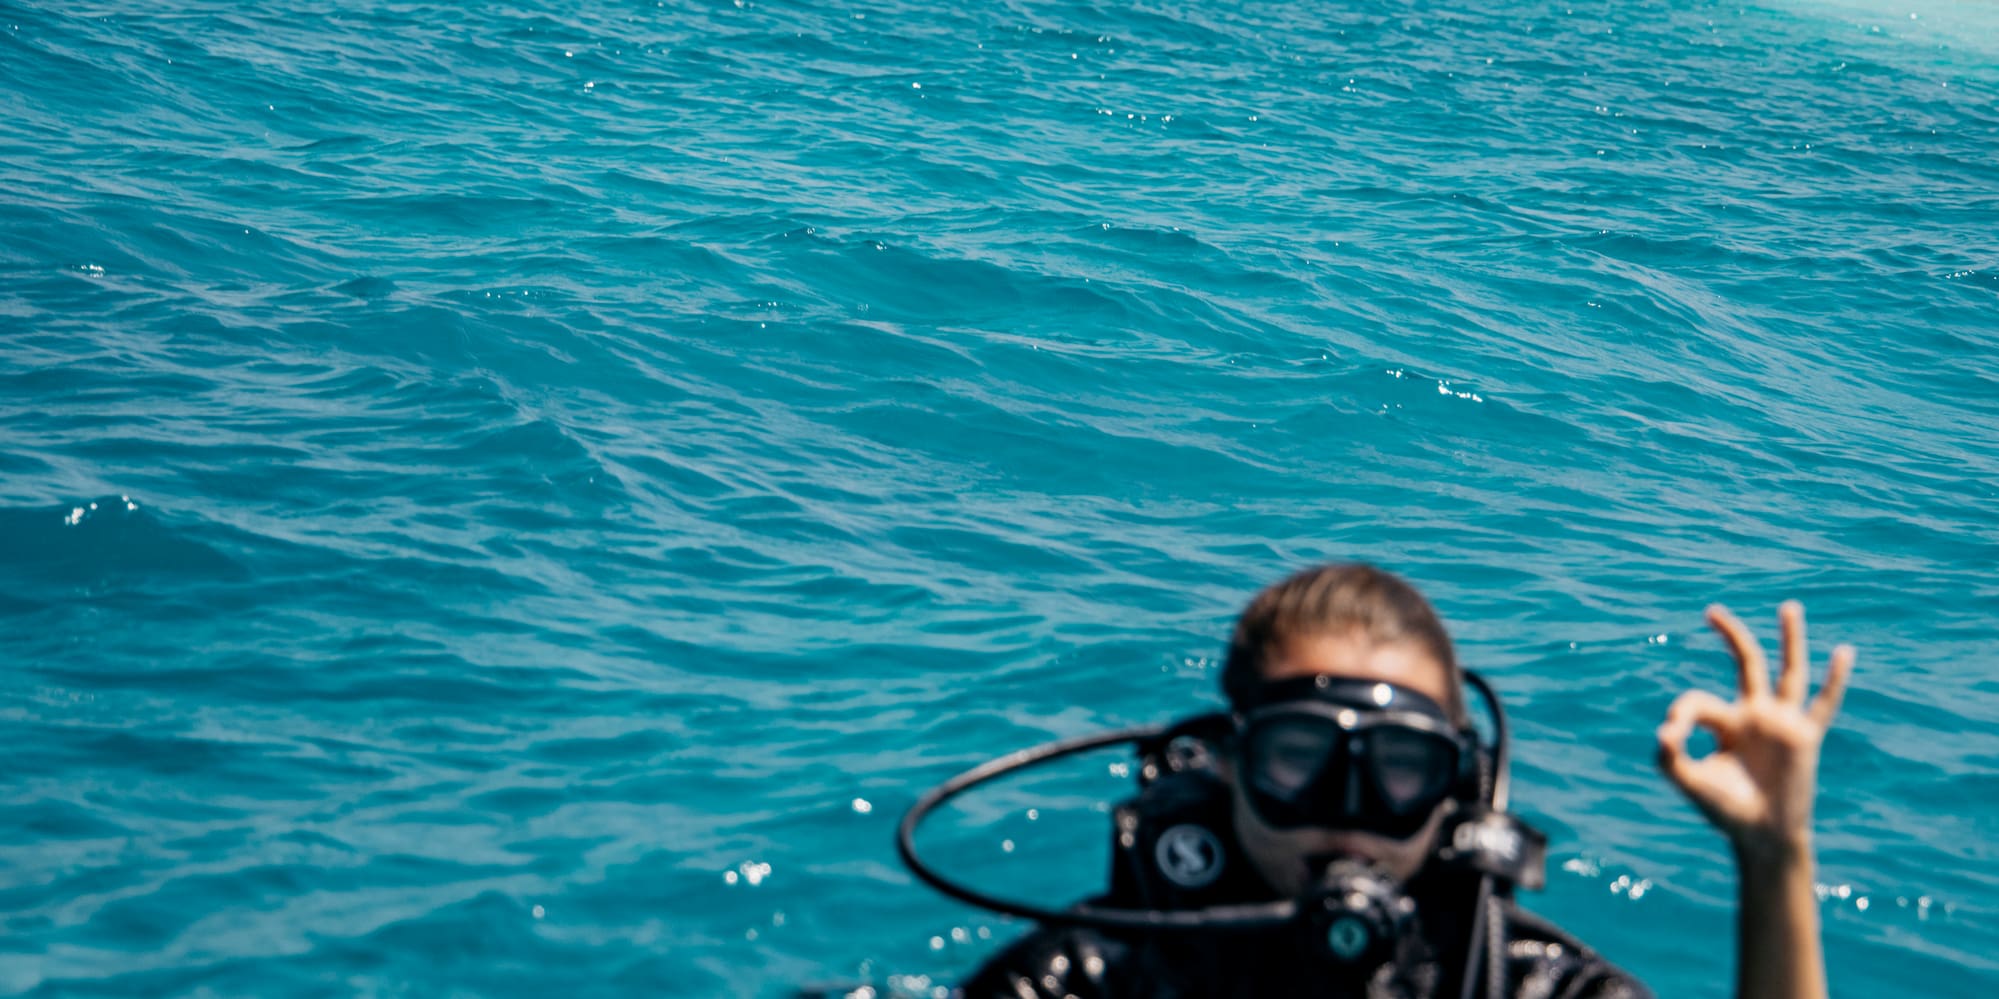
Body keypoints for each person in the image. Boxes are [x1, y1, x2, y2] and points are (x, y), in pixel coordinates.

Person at [960, 563, 1854, 999]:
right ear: (1227, 764)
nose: (1346, 820)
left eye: (1397, 769)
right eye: (1298, 760)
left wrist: (1775, 855)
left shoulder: (1522, 986)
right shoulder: (1094, 975)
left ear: (1455, 790)